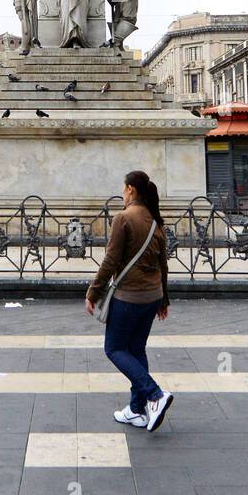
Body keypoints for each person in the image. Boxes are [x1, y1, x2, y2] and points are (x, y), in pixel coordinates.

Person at [85, 170, 174, 433]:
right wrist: (164, 300)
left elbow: (111, 261)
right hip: (152, 296)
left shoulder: (124, 218)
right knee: (136, 350)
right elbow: (163, 265)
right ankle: (136, 410)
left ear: (131, 190)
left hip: (130, 297)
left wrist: (93, 293)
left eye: (124, 189)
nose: (123, 194)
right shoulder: (156, 221)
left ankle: (155, 395)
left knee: (114, 349)